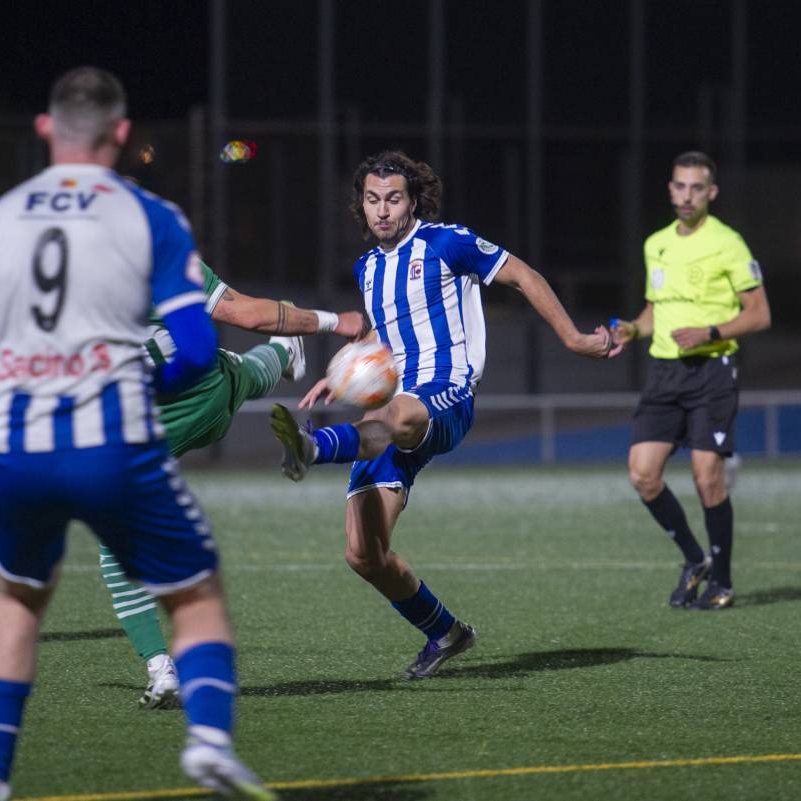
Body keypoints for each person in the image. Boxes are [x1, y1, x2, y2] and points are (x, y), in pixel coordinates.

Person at [0, 67, 276, 801]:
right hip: (114, 442)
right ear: (121, 134)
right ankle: (211, 742)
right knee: (195, 595)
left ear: (43, 129)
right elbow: (196, 349)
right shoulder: (152, 217)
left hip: (20, 449)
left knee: (17, 602)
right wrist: (141, 389)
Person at [270, 150, 616, 679]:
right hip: (391, 410)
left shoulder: (446, 242)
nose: (382, 210)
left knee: (396, 417)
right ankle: (447, 633)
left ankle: (313, 447)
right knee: (364, 554)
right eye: (372, 199)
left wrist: (572, 337)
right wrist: (341, 373)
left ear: (412, 202)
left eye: (393, 199)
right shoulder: (367, 268)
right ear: (361, 205)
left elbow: (523, 275)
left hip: (444, 392)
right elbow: (382, 332)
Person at [0, 262, 364, 708]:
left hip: (144, 427)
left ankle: (161, 668)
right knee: (239, 373)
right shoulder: (166, 257)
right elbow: (248, 314)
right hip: (207, 395)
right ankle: (284, 353)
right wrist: (335, 320)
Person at [610, 151, 770, 610]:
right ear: (670, 189)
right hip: (664, 374)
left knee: (707, 478)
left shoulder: (728, 243)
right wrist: (631, 329)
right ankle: (695, 558)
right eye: (680, 186)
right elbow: (654, 312)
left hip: (712, 372)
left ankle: (722, 582)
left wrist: (710, 333)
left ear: (711, 193)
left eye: (696, 188)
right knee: (643, 475)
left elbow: (759, 314)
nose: (687, 195)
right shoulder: (656, 243)